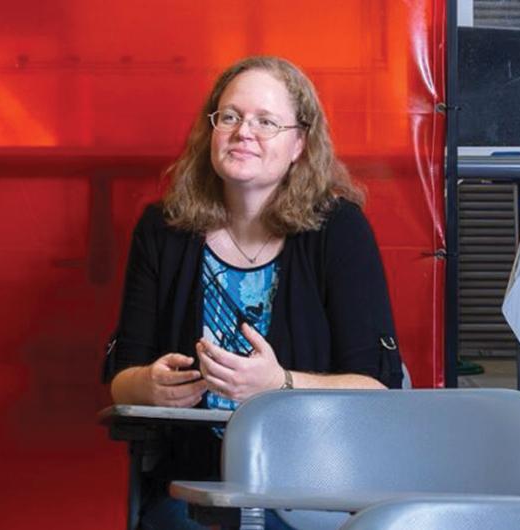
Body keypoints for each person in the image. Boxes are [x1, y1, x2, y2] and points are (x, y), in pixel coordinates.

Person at [101, 55, 409, 530]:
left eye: (266, 121)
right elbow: (123, 380)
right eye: (230, 117)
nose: (244, 131)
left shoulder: (340, 231)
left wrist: (278, 385)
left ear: (299, 145)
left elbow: (378, 387)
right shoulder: (162, 230)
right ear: (211, 133)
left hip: (314, 485)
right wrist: (151, 385)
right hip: (194, 490)